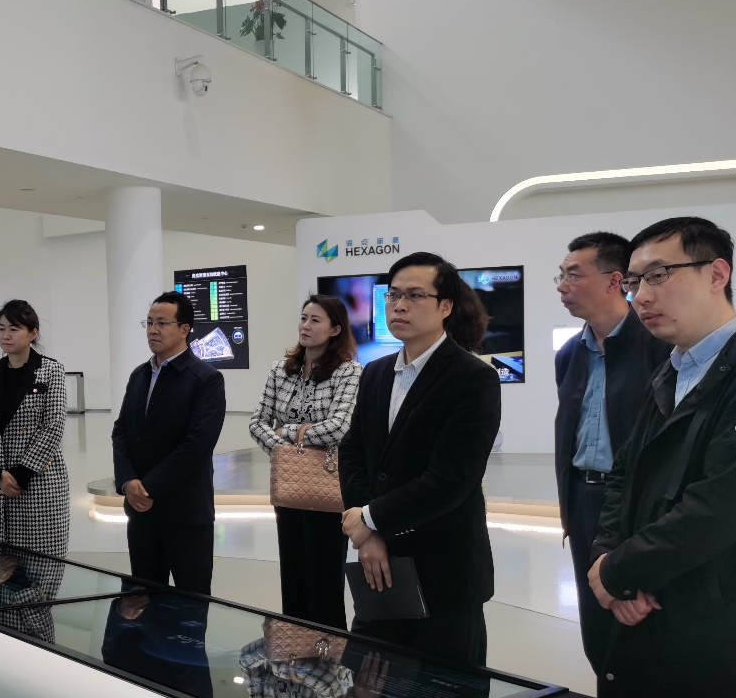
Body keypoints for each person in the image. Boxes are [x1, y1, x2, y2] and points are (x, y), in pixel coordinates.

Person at [588, 217, 736, 698]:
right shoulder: (677, 367)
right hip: (657, 615)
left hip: (729, 630)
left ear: (716, 274)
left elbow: (724, 504)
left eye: (659, 275)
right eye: (634, 282)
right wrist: (610, 559)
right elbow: (625, 473)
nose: (641, 296)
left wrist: (622, 569)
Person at [338, 252, 501, 666]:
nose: (399, 305)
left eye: (414, 295)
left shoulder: (472, 377)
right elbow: (353, 453)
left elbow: (452, 478)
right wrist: (368, 534)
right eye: (393, 295)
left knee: (445, 692)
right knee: (368, 685)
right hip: (380, 564)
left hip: (444, 567)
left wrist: (371, 518)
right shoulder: (375, 373)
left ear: (445, 306)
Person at [553, 232, 669, 671]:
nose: (562, 286)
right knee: (596, 626)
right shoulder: (570, 353)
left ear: (615, 280)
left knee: (641, 618)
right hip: (583, 499)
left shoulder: (658, 346)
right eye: (560, 276)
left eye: (573, 275)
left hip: (638, 499)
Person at [249, 294, 361, 629]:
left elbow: (339, 427)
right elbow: (257, 423)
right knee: (293, 571)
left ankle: (328, 650)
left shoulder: (348, 372)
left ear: (335, 329)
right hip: (288, 482)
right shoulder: (280, 370)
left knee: (324, 577)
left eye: (315, 320)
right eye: (303, 318)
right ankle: (294, 646)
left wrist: (288, 432)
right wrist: (288, 450)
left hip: (327, 483)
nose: (305, 325)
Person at [112, 291, 226, 594]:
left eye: (162, 323)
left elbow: (197, 445)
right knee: (144, 600)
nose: (153, 330)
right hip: (141, 513)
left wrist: (148, 488)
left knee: (191, 603)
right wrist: (127, 481)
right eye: (149, 323)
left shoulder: (206, 379)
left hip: (185, 513)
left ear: (184, 329)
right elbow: (121, 431)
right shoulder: (139, 375)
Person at [0, 299, 70, 601]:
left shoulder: (50, 371)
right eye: (1, 328)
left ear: (33, 333)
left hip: (38, 486)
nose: (6, 335)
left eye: (14, 328)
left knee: (38, 579)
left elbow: (53, 426)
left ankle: (35, 629)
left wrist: (21, 474)